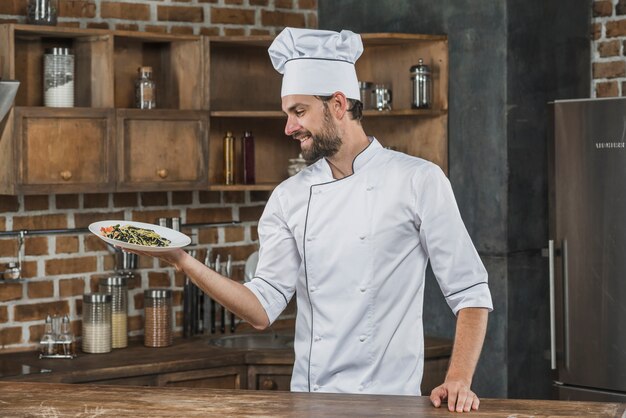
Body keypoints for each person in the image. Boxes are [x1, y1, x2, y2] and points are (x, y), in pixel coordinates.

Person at [136, 27, 493, 413]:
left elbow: (470, 291)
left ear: (338, 104)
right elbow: (261, 308)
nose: (289, 127)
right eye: (287, 113)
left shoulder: (418, 180)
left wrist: (458, 378)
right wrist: (183, 261)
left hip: (389, 404)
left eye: (299, 111)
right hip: (311, 403)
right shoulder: (290, 197)